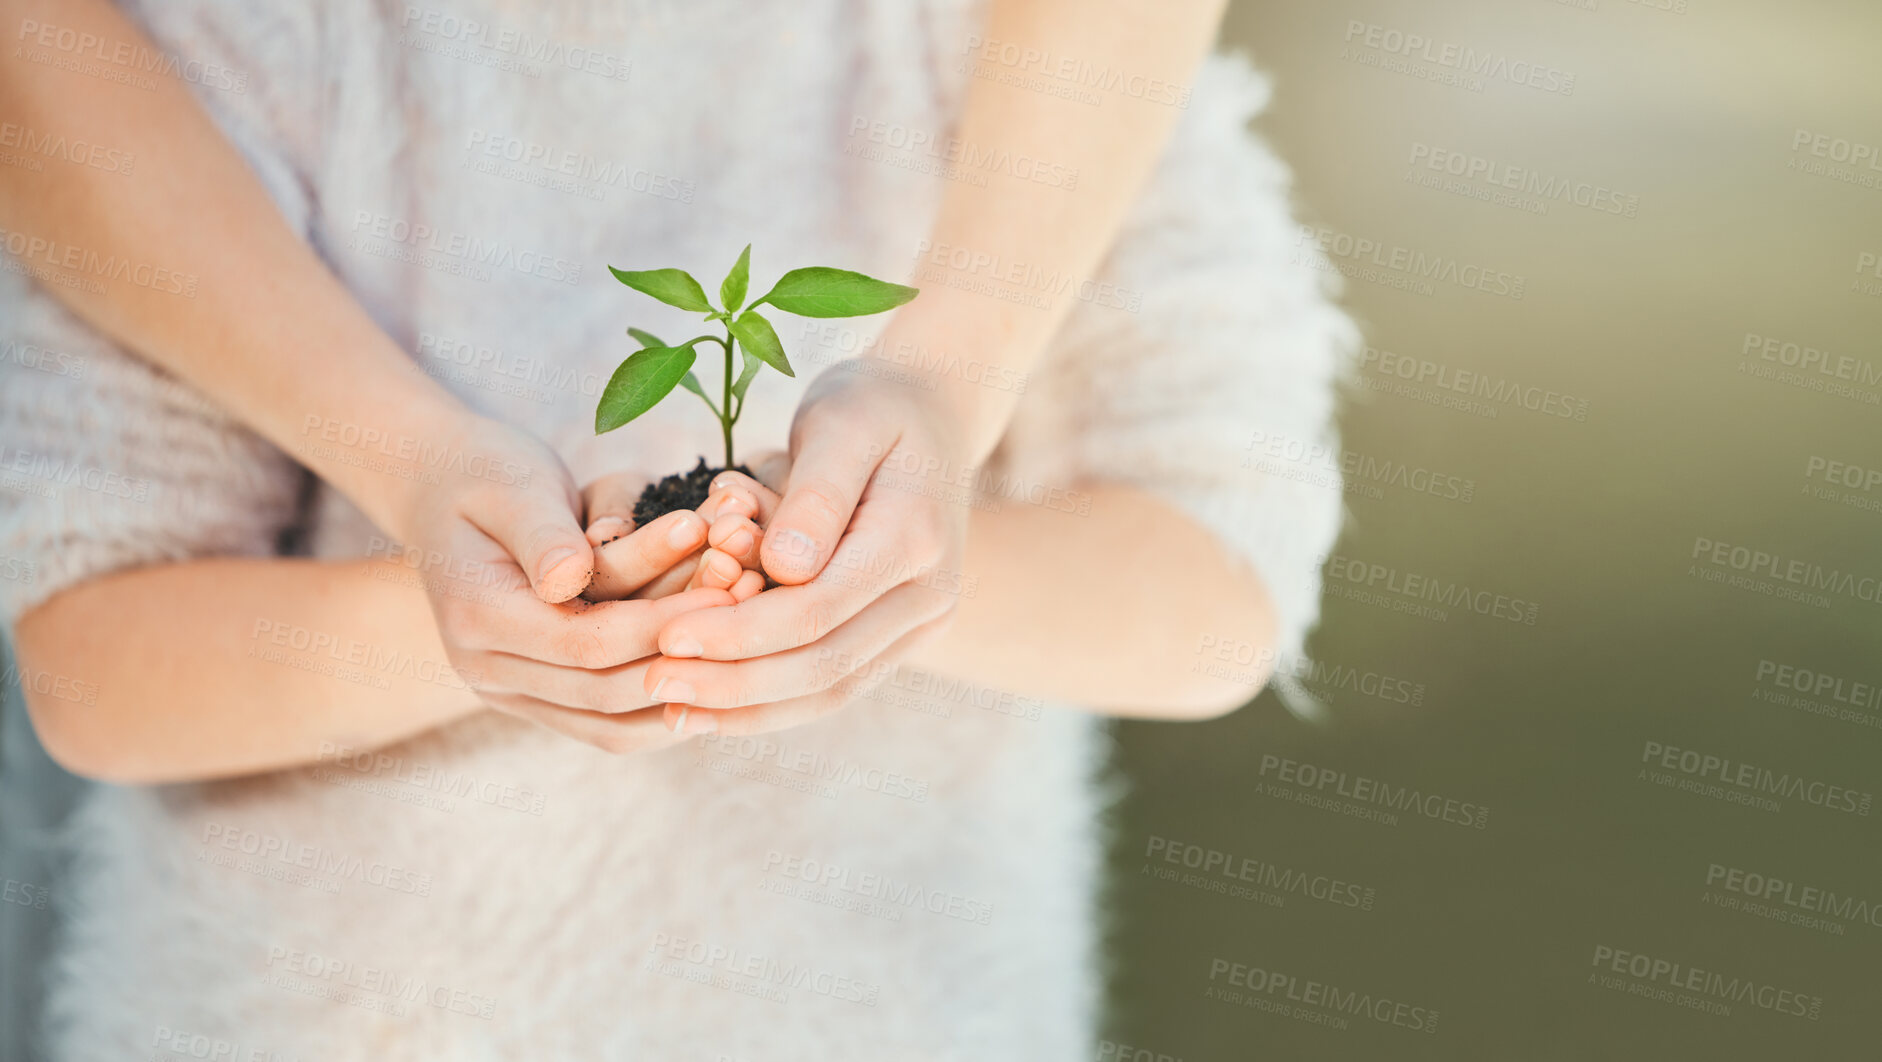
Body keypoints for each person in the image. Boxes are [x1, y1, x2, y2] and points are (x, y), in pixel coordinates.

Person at [0, 0, 1353, 1056]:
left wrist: (875, 568)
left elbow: (1212, 587)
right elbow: (97, 665)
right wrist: (484, 620)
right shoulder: (222, 44)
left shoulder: (994, 57)